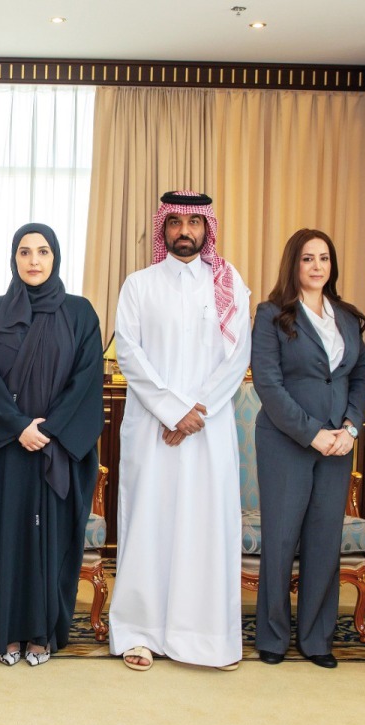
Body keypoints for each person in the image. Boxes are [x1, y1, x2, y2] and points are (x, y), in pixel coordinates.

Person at [109, 190, 251, 672]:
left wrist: (197, 413)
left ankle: (204, 637)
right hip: (153, 428)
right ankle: (139, 632)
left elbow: (237, 360)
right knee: (149, 525)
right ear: (162, 229)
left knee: (203, 529)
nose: (185, 230)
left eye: (194, 222)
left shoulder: (230, 284)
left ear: (207, 229)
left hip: (208, 434)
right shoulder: (138, 284)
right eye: (175, 222)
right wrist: (173, 411)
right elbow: (129, 353)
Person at [0, 223, 104, 666]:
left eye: (42, 252)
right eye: (24, 252)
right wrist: (19, 426)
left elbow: (87, 382)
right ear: (13, 258)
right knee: (7, 539)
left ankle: (43, 634)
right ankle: (5, 633)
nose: (33, 260)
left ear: (56, 257)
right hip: (7, 449)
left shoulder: (81, 314)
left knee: (52, 541)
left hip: (57, 451)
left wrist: (49, 430)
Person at [251, 229, 365, 668]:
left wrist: (350, 428)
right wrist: (311, 433)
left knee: (324, 540)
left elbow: (359, 377)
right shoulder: (271, 314)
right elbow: (268, 382)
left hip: (339, 445)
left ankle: (317, 639)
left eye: (324, 258)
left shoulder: (348, 317)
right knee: (281, 539)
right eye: (307, 258)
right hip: (286, 441)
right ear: (293, 265)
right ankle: (274, 636)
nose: (317, 266)